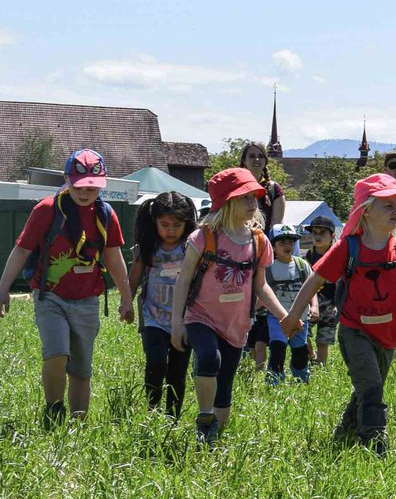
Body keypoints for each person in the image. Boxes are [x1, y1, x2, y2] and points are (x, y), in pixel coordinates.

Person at [280, 173, 396, 458]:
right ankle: (375, 446)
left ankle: (346, 430)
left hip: (389, 335)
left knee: (368, 387)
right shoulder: (347, 248)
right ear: (366, 210)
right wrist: (292, 316)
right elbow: (314, 280)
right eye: (387, 206)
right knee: (372, 387)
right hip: (354, 331)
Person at [0, 149, 134, 426]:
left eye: (92, 186)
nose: (85, 192)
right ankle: (53, 410)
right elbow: (22, 250)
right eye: (79, 185)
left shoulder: (105, 214)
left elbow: (115, 259)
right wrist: (2, 289)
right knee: (56, 353)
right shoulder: (46, 210)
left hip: (87, 300)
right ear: (67, 180)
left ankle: (78, 424)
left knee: (81, 368)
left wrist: (127, 299)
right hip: (50, 297)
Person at [172, 168, 287, 447]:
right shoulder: (204, 237)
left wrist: (283, 315)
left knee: (226, 383)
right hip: (201, 316)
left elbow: (260, 286)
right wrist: (177, 323)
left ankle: (213, 440)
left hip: (237, 324)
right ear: (226, 202)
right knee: (210, 359)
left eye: (254, 198)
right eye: (244, 198)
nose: (252, 203)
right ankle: (204, 418)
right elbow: (184, 279)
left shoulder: (258, 241)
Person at [129, 190, 196, 417]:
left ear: (186, 223)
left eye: (176, 225)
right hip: (153, 317)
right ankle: (152, 408)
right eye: (165, 224)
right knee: (156, 362)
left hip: (184, 319)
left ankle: (172, 416)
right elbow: (135, 276)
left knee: (178, 371)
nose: (170, 230)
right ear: (154, 222)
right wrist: (126, 302)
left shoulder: (191, 247)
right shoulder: (148, 247)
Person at [262, 224, 316, 383]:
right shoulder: (269, 268)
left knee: (300, 351)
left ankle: (302, 379)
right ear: (273, 246)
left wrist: (314, 307)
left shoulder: (302, 265)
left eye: (291, 242)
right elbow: (262, 292)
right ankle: (274, 381)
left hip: (302, 318)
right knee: (278, 349)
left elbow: (311, 288)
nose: (287, 246)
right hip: (277, 318)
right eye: (282, 243)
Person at [304, 216, 340, 366]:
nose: (317, 236)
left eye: (322, 233)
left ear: (332, 236)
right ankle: (311, 356)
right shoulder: (309, 255)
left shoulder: (337, 255)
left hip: (330, 302)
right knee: (302, 332)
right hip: (311, 301)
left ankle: (321, 365)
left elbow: (341, 282)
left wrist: (338, 304)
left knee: (323, 339)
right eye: (314, 233)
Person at [238, 141, 285, 234]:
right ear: (244, 160)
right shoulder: (234, 187)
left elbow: (275, 226)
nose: (257, 159)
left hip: (265, 244)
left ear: (266, 160)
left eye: (260, 156)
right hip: (238, 243)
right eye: (252, 156)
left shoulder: (274, 189)